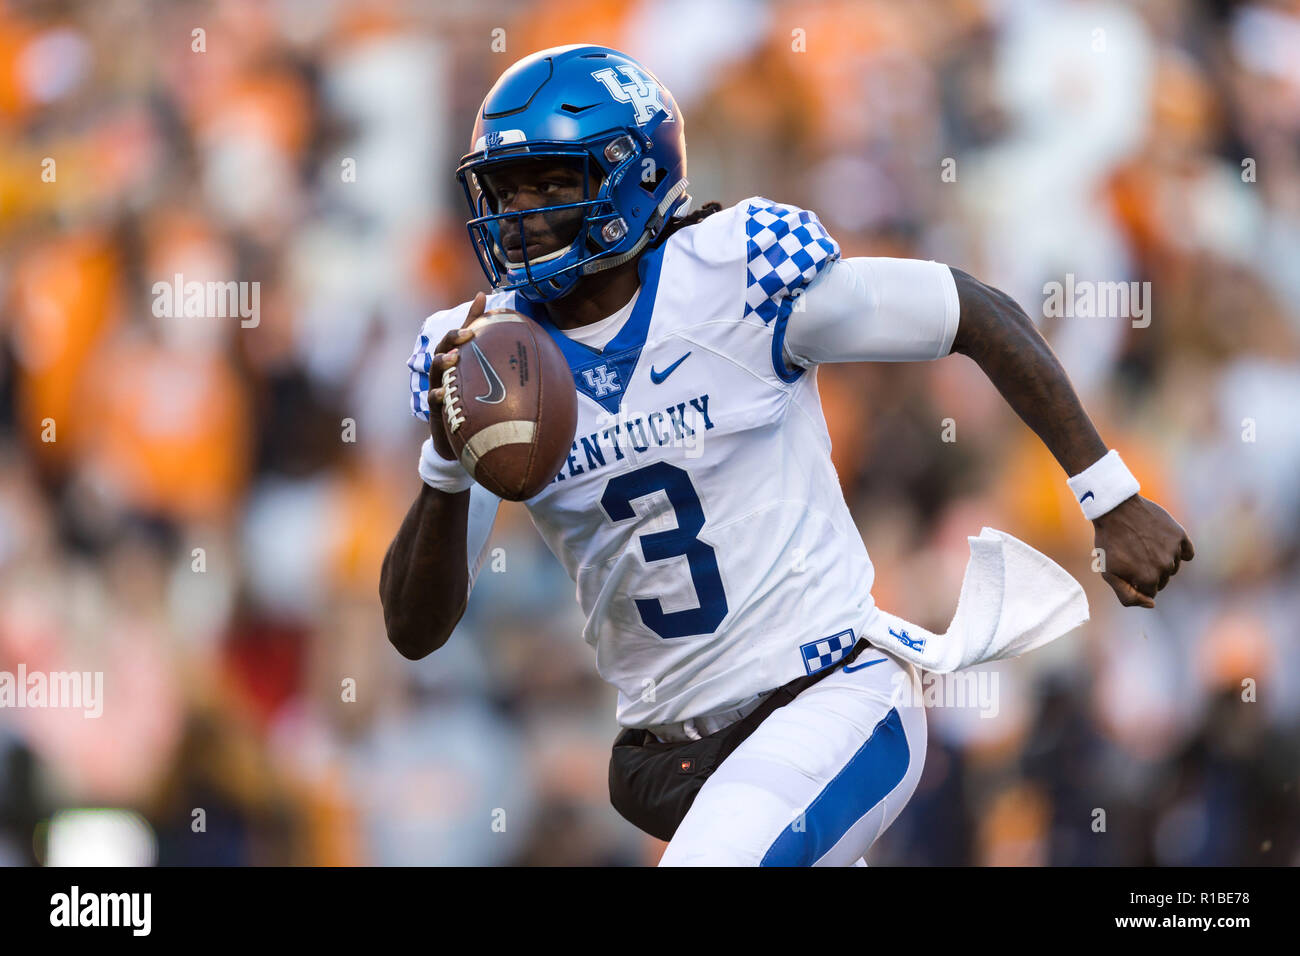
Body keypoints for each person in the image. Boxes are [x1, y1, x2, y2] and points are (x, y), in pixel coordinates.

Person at [379, 44, 1193, 866]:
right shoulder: (488, 355)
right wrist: (446, 464)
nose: (518, 212)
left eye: (549, 183)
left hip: (833, 696)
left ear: (631, 176)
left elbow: (970, 310)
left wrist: (1110, 495)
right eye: (504, 187)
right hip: (678, 755)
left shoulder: (737, 276)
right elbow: (415, 629)